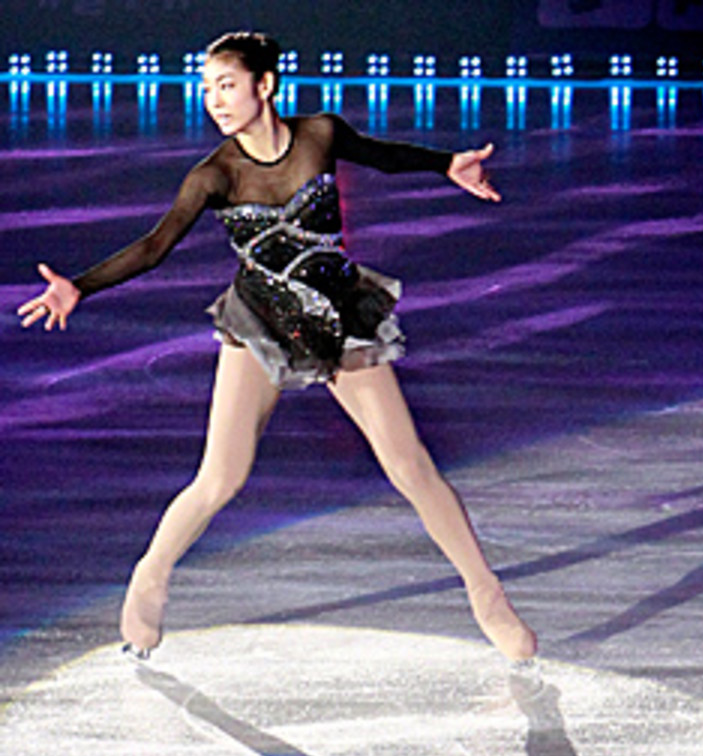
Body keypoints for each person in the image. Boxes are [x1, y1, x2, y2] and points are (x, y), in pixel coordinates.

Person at [18, 30, 537, 662]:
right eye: (207, 89)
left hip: (339, 317)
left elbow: (381, 155)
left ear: (265, 85)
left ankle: (488, 598)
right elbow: (155, 246)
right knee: (220, 478)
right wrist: (81, 286)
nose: (214, 100)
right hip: (260, 323)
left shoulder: (319, 134)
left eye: (227, 85)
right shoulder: (214, 176)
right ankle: (149, 577)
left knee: (411, 467)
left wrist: (444, 163)